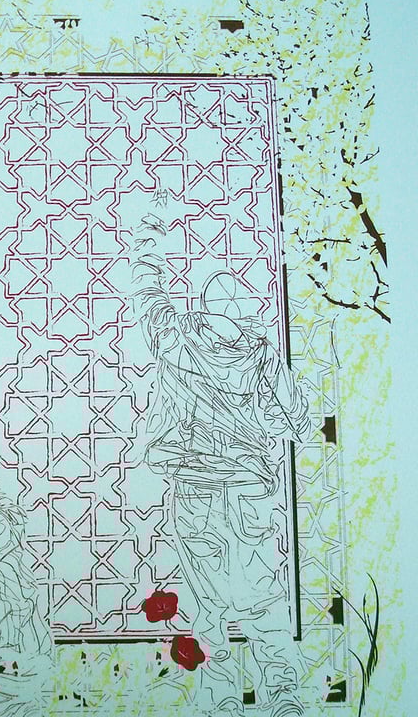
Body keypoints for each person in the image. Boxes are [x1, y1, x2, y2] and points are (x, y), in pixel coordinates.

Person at [132, 218, 310, 715]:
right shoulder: (262, 354)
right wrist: (263, 421)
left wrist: (150, 239)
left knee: (206, 595)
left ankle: (220, 696)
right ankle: (284, 691)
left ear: (203, 310)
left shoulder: (174, 338)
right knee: (261, 589)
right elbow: (297, 418)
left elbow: (147, 294)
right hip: (249, 488)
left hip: (195, 486)